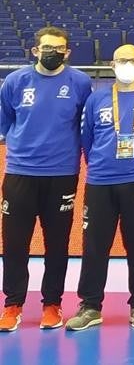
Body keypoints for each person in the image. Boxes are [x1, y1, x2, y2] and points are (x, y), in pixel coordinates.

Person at [65, 45, 134, 331]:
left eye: (133, 60)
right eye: (122, 60)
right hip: (100, 181)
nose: (127, 65)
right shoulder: (96, 99)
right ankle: (90, 306)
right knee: (94, 246)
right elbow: (86, 139)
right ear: (112, 64)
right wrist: (101, 166)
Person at [0, 25, 93, 331]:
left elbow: (85, 125)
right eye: (47, 47)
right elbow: (6, 122)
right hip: (20, 173)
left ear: (67, 52)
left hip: (62, 174)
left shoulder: (80, 82)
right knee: (14, 244)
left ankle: (52, 304)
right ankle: (12, 304)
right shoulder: (15, 81)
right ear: (35, 50)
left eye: (59, 49)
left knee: (57, 244)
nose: (52, 53)